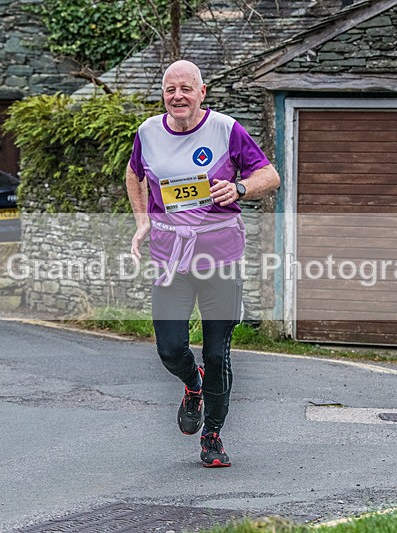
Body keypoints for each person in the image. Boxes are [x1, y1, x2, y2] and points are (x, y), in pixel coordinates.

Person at [125, 60, 280, 466]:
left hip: (220, 257)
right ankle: (191, 385)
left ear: (202, 92)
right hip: (170, 256)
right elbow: (133, 174)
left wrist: (241, 186)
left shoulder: (226, 130)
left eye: (186, 89)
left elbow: (270, 175)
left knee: (217, 353)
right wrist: (142, 221)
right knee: (170, 348)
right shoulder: (148, 133)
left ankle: (212, 434)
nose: (177, 96)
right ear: (164, 94)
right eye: (170, 89)